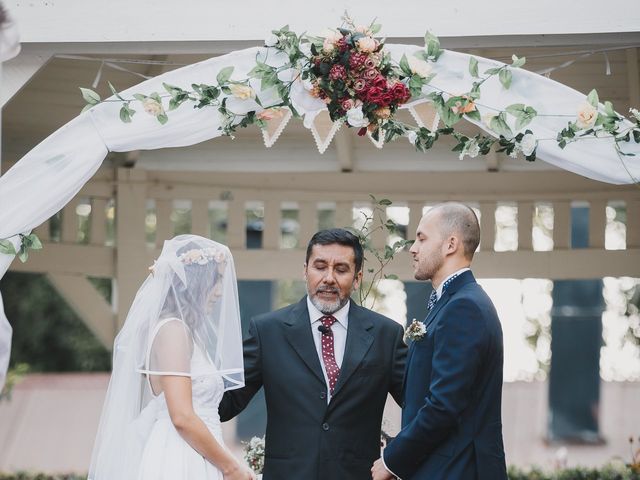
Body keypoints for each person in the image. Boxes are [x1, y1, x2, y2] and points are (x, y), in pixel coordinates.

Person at [219, 228, 407, 479]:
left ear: (358, 277)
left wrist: (395, 456)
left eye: (341, 269)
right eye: (320, 267)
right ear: (305, 270)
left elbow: (420, 404)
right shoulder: (267, 331)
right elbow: (225, 402)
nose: (329, 278)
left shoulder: (387, 335)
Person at [89, 235, 255, 480]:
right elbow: (182, 416)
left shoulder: (185, 332)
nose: (220, 292)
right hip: (180, 456)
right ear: (197, 281)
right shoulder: (172, 331)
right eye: (216, 280)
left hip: (199, 452)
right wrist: (231, 467)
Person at [372, 202, 507, 480]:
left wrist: (392, 460)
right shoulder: (451, 304)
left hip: (457, 470)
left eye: (422, 238)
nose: (413, 247)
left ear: (450, 244)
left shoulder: (464, 308)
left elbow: (444, 405)